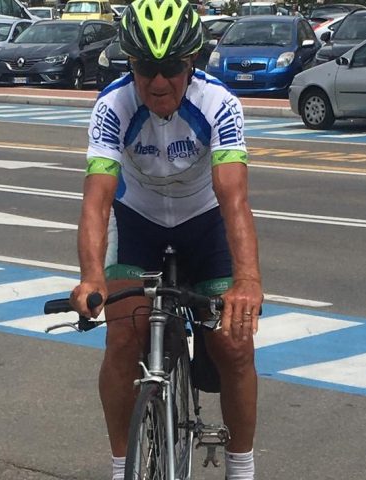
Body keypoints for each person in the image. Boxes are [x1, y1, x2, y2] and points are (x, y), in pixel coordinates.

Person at [69, 0, 263, 478]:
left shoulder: (219, 103)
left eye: (172, 67)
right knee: (121, 339)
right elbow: (97, 199)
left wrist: (248, 279)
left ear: (191, 62)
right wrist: (91, 276)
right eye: (145, 67)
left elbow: (234, 198)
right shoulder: (113, 106)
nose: (158, 82)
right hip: (138, 219)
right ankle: (123, 466)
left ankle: (242, 467)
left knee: (234, 344)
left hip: (204, 219)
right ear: (129, 64)